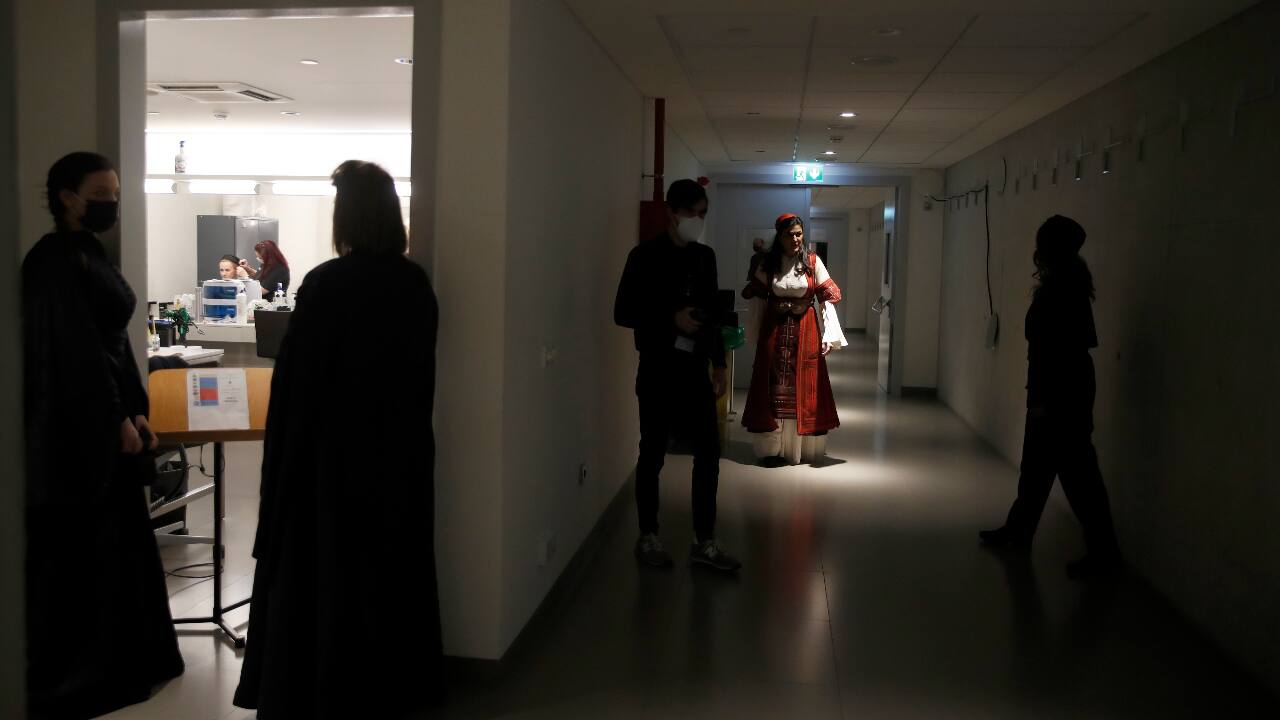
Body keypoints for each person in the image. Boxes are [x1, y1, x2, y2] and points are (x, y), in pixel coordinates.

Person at [234, 160, 443, 718]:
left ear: (346, 217)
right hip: (397, 457)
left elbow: (299, 388)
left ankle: (328, 684)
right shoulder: (414, 284)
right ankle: (390, 684)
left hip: (330, 461)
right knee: (388, 568)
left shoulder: (327, 284)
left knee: (330, 573)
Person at [22, 151, 184, 717]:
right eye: (100, 191)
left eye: (114, 190)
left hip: (108, 411)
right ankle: (84, 670)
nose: (111, 201)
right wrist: (114, 414)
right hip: (77, 431)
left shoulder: (87, 254)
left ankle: (122, 656)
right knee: (85, 547)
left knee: (116, 542)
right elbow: (75, 353)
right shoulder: (52, 261)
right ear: (67, 197)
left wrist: (135, 407)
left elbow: (111, 344)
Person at [979, 215, 1121, 578]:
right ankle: (1019, 530)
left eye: (1042, 243)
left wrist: (1043, 400)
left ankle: (1104, 553)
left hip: (1060, 393)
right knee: (1038, 469)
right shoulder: (1067, 282)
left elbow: (1058, 350)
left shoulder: (1063, 288)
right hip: (1062, 388)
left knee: (1078, 477)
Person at [614, 178, 741, 572]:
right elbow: (623, 312)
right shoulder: (644, 257)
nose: (698, 221)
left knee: (709, 454)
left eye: (703, 214)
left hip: (694, 371)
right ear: (672, 212)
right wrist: (670, 319)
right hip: (656, 369)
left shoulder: (705, 257)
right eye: (692, 213)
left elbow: (714, 317)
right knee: (652, 454)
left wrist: (718, 363)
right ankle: (647, 535)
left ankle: (705, 540)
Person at [741, 214, 843, 466]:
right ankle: (771, 449)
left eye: (799, 233)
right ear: (780, 236)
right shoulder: (768, 263)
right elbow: (756, 296)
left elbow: (826, 297)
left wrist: (829, 334)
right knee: (770, 385)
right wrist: (754, 332)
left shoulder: (812, 261)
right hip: (774, 331)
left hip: (805, 331)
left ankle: (800, 449)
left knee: (805, 386)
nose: (796, 239)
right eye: (790, 234)